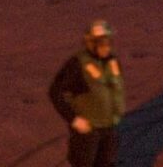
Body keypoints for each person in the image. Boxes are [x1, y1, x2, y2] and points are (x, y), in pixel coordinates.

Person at [46, 19, 125, 167]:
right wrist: (74, 119)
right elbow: (55, 92)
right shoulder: (77, 64)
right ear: (91, 43)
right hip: (87, 132)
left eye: (108, 41)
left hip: (109, 128)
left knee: (107, 163)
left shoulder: (112, 61)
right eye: (102, 42)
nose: (106, 46)